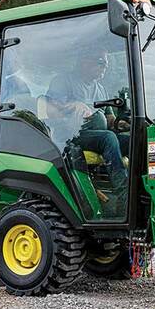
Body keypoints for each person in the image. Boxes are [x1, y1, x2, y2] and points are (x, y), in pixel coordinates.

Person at [44, 46, 129, 214]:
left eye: (106, 64)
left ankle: (140, 191)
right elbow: (50, 108)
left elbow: (110, 119)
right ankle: (124, 196)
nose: (105, 67)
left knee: (134, 140)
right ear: (84, 61)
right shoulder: (64, 81)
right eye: (101, 62)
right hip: (71, 136)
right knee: (109, 138)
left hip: (98, 136)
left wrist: (122, 124)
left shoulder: (101, 89)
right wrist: (73, 105)